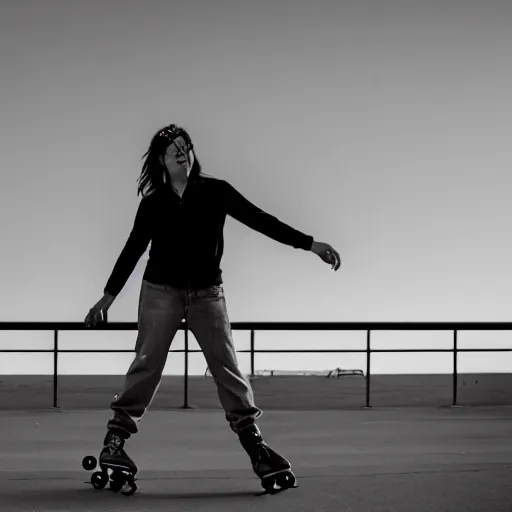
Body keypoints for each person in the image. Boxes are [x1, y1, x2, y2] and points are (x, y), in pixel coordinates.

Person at [84, 123, 341, 490]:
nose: (181, 150)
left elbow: (260, 219)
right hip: (160, 292)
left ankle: (257, 448)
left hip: (207, 294)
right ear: (161, 158)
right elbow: (133, 249)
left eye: (185, 145)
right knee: (147, 364)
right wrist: (106, 298)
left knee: (227, 368)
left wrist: (310, 244)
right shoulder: (154, 203)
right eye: (173, 147)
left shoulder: (215, 192)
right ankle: (115, 441)